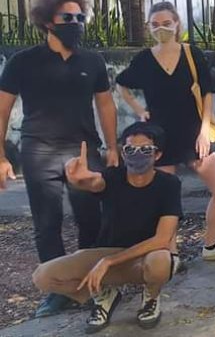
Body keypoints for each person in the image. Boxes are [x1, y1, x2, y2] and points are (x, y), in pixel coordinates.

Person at [0, 0, 117, 318]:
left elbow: (105, 104)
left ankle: (95, 282)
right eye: (68, 18)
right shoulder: (22, 62)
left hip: (83, 150)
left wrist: (111, 148)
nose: (76, 23)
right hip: (38, 150)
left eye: (81, 17)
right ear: (47, 21)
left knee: (91, 218)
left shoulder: (92, 61)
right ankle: (58, 290)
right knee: (46, 224)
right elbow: (3, 109)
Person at [116, 2, 215, 261]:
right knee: (166, 198)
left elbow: (208, 92)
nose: (161, 28)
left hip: (192, 132)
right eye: (155, 24)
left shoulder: (192, 53)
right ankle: (169, 254)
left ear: (177, 24)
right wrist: (139, 110)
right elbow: (121, 84)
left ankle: (211, 244)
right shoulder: (143, 59)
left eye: (166, 22)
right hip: (159, 136)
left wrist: (204, 130)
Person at [32, 123, 180, 332]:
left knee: (160, 261)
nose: (137, 154)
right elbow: (94, 182)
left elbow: (162, 239)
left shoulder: (169, 184)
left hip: (145, 256)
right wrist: (78, 179)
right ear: (123, 152)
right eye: (130, 149)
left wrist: (108, 262)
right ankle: (105, 295)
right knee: (43, 276)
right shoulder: (112, 177)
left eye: (146, 149)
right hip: (109, 252)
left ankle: (151, 297)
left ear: (157, 155)